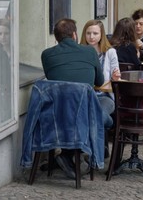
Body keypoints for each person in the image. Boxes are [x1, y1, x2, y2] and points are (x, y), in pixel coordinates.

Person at [40, 18, 106, 178]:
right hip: (84, 114)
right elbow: (100, 81)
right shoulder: (90, 52)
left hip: (56, 114)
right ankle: (87, 157)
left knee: (75, 110)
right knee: (105, 115)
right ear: (75, 35)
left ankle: (67, 155)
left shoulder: (46, 55)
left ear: (56, 38)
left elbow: (52, 79)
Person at [80, 20, 121, 137]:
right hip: (84, 96)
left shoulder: (110, 52)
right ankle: (100, 145)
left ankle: (110, 124)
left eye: (95, 33)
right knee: (86, 117)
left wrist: (115, 77)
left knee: (98, 115)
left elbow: (117, 77)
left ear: (101, 35)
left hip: (104, 96)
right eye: (88, 33)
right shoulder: (80, 52)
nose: (91, 37)